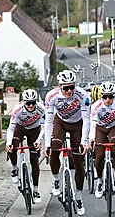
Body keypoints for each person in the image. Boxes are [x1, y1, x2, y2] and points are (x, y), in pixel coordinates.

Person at [43, 70, 91, 216]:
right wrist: (47, 144)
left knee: (78, 160)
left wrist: (84, 141)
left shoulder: (83, 95)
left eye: (72, 87)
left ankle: (79, 197)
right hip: (60, 123)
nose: (70, 91)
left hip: (78, 124)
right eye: (66, 88)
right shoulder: (51, 96)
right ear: (59, 86)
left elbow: (87, 119)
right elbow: (49, 121)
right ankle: (57, 179)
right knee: (55, 149)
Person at [89, 81, 115, 199]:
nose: (107, 100)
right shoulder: (96, 106)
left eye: (110, 97)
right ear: (101, 97)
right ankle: (100, 182)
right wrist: (91, 139)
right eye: (105, 97)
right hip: (100, 128)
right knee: (99, 155)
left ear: (114, 96)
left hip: (114, 127)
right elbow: (93, 124)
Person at [6, 89, 45, 204]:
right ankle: (14, 168)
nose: (31, 105)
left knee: (34, 160)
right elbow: (11, 128)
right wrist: (8, 143)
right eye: (28, 103)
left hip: (34, 130)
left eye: (33, 102)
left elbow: (44, 128)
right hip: (20, 128)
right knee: (13, 146)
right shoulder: (17, 109)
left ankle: (36, 189)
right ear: (24, 102)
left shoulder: (41, 109)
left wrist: (39, 141)